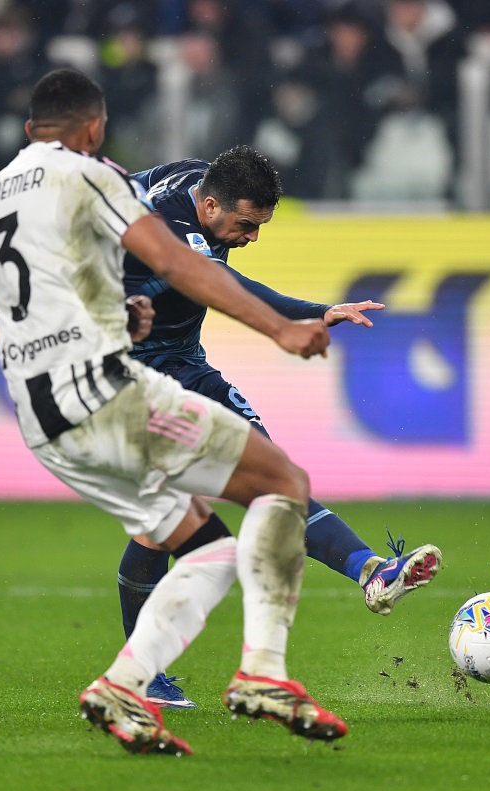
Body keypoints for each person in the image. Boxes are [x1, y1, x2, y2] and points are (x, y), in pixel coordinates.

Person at [0, 67, 347, 756]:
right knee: (282, 482)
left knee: (206, 548)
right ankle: (263, 675)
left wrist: (113, 315)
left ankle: (124, 686)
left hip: (39, 418)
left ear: (29, 130)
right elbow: (183, 267)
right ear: (94, 129)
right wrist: (282, 327)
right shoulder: (96, 177)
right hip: (102, 395)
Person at [117, 145, 443, 708]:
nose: (250, 238)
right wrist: (318, 311)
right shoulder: (174, 232)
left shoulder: (191, 177)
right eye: (245, 226)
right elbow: (234, 289)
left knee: (268, 479)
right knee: (167, 521)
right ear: (210, 206)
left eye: (259, 227)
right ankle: (142, 674)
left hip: (184, 365)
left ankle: (372, 571)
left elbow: (125, 186)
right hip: (129, 379)